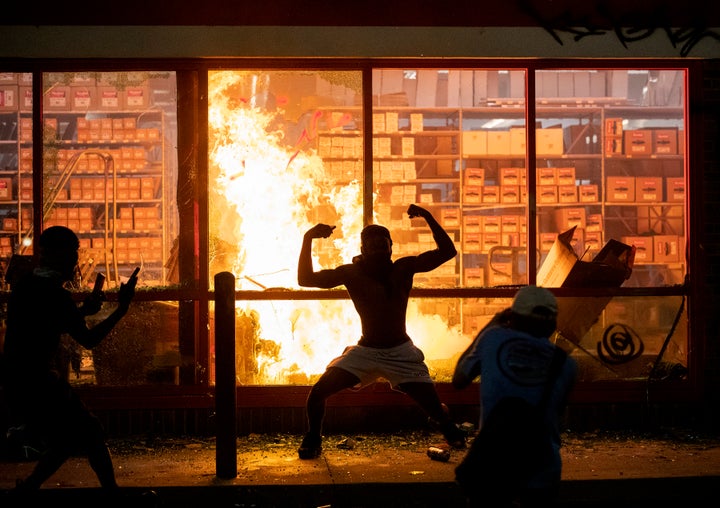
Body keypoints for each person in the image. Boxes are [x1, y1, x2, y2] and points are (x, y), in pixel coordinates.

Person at [296, 203, 466, 459]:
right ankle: (313, 436)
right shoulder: (351, 273)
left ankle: (446, 425)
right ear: (362, 249)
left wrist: (428, 217)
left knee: (439, 415)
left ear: (391, 247)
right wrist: (308, 238)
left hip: (401, 352)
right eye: (372, 245)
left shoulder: (404, 268)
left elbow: (447, 251)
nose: (377, 249)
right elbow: (305, 279)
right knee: (317, 394)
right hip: (365, 351)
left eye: (382, 244)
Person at [1, 226, 139, 501]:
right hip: (38, 381)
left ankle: (28, 489)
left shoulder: (26, 286)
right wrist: (121, 309)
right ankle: (113, 496)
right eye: (72, 255)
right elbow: (88, 339)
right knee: (91, 431)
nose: (75, 262)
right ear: (58, 257)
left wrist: (82, 312)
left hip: (18, 379)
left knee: (65, 440)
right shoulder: (56, 295)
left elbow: (42, 324)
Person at [452, 285, 577, 508]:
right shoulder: (566, 364)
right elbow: (558, 418)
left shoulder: (493, 339)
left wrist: (493, 323)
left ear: (512, 316)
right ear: (552, 323)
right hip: (542, 468)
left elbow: (459, 379)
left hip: (494, 465)